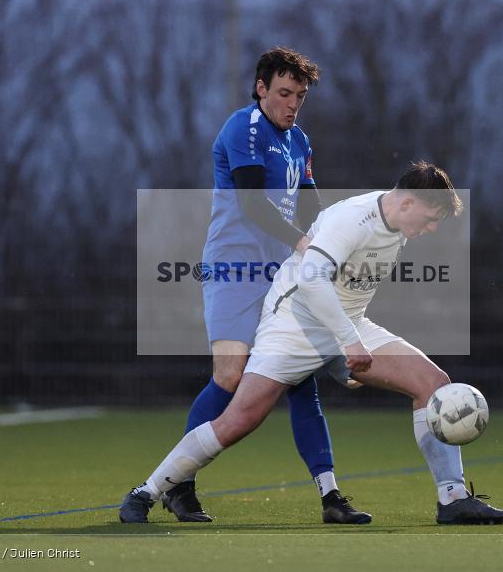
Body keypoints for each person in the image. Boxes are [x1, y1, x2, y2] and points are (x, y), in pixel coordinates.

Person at [120, 161, 503, 525]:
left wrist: (347, 349)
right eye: (431, 219)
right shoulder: (351, 219)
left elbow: (350, 292)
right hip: (293, 326)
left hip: (348, 327)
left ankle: (453, 499)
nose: (431, 228)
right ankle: (145, 492)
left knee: (434, 384)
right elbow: (311, 281)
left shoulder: (399, 226)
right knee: (238, 421)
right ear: (408, 201)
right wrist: (348, 344)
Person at [120, 47, 369, 524]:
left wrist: (343, 243)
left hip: (283, 275)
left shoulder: (299, 141)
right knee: (231, 377)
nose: (292, 103)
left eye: (299, 95)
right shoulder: (244, 127)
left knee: (301, 381)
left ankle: (331, 496)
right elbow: (253, 204)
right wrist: (304, 244)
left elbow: (315, 209)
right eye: (283, 92)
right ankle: (178, 486)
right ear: (261, 88)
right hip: (235, 269)